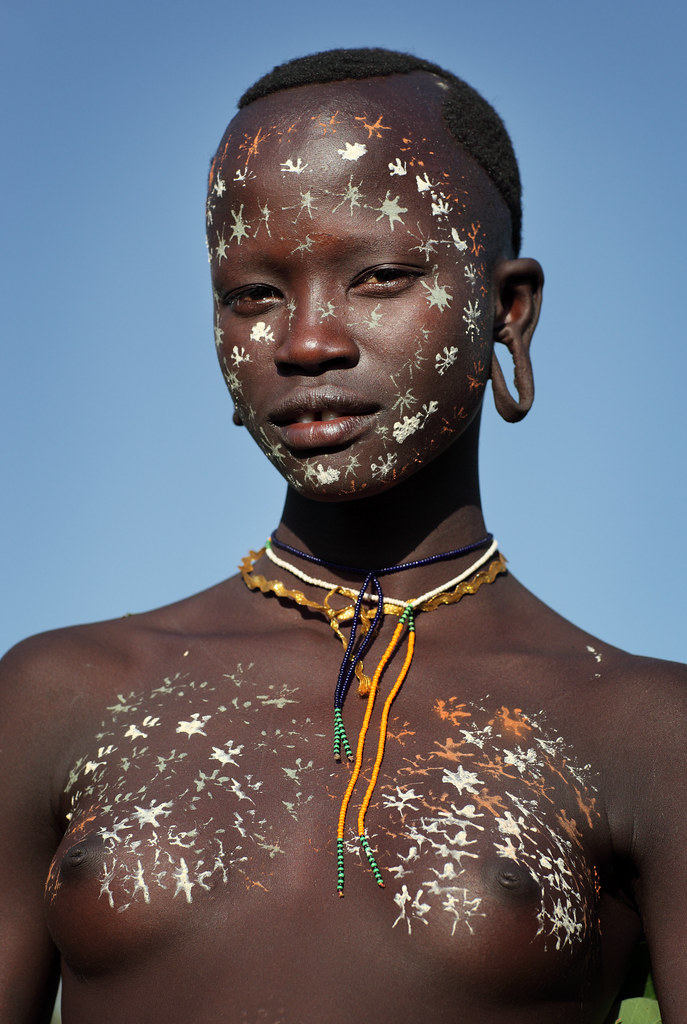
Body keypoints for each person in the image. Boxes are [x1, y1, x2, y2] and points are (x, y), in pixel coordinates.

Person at [1, 47, 684, 1024]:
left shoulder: (644, 734)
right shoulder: (55, 698)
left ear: (510, 310)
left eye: (379, 277)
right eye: (253, 295)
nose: (307, 340)